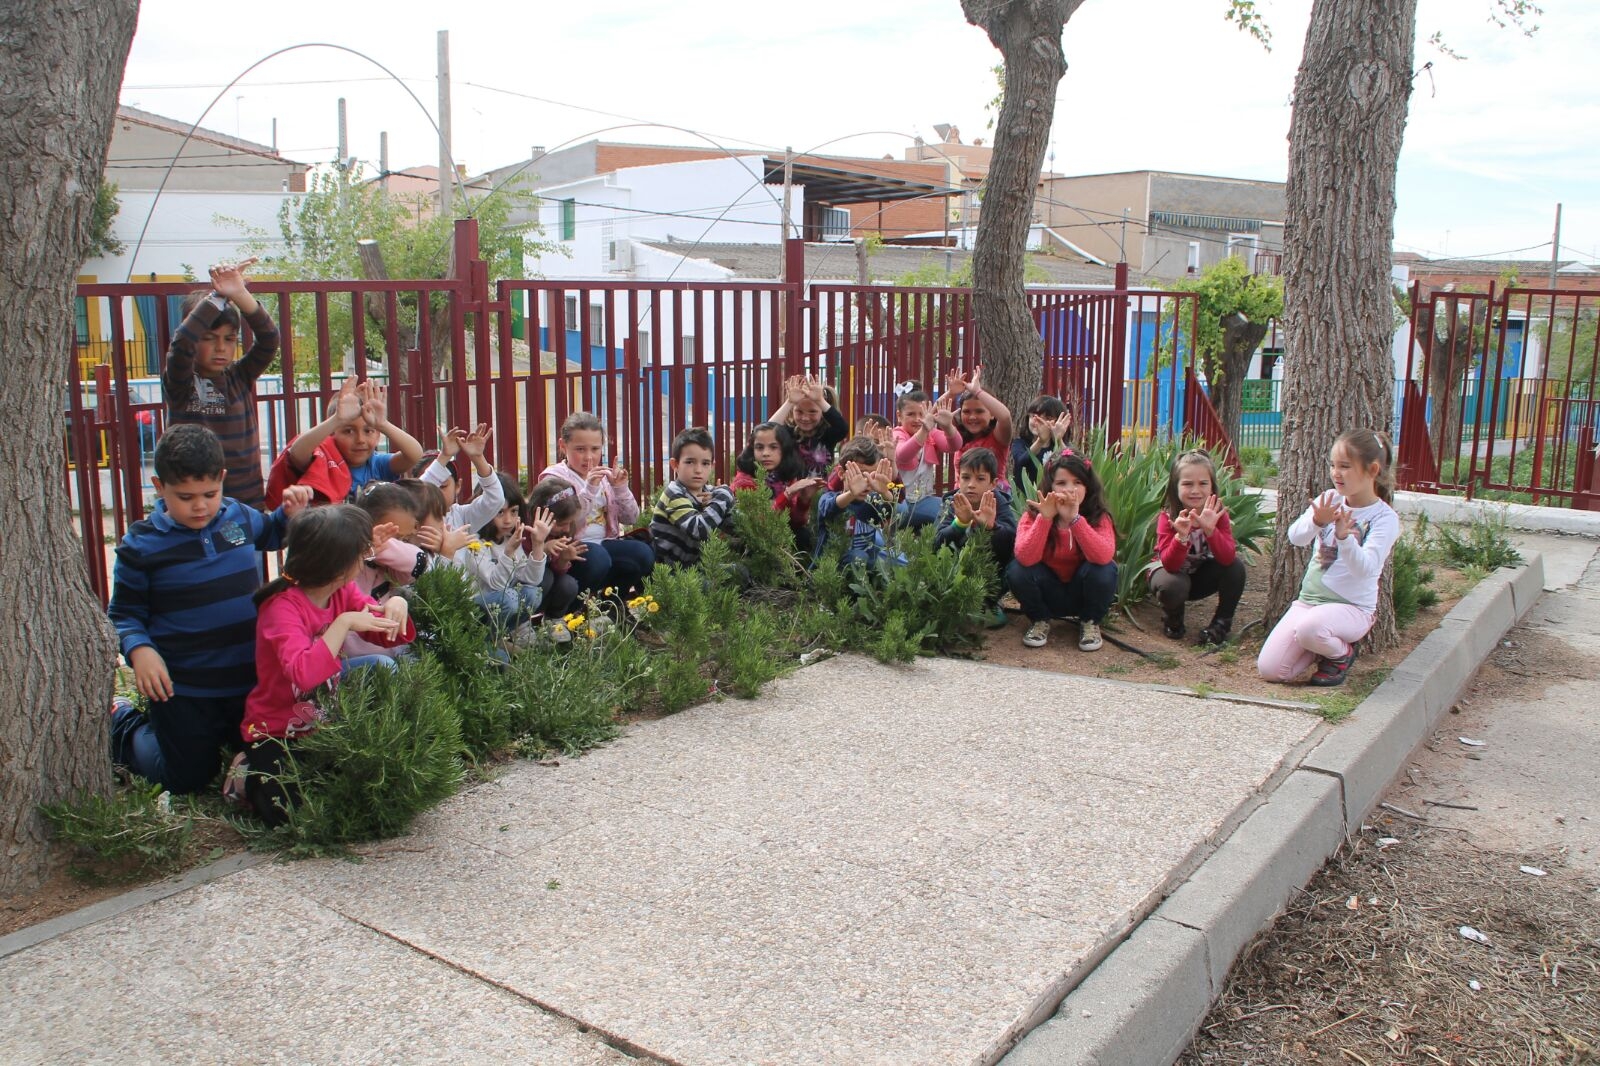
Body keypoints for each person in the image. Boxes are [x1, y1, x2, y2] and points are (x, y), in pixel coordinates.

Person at [108, 425, 312, 793]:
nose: (200, 506)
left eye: (209, 493)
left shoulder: (238, 516)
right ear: (159, 487)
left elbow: (270, 533)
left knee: (263, 761)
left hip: (246, 681)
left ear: (222, 479)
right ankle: (123, 722)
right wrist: (140, 651)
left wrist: (288, 514)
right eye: (184, 496)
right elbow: (124, 614)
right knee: (185, 780)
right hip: (184, 688)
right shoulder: (140, 545)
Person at [240, 505, 414, 826]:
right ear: (336, 566)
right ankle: (245, 775)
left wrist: (397, 603)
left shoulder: (341, 591)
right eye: (359, 554)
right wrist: (344, 623)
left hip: (321, 724)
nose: (365, 559)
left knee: (361, 791)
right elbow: (303, 674)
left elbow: (384, 629)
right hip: (275, 731)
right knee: (289, 813)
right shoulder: (282, 609)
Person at [1258, 430, 1400, 687]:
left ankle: (1340, 654)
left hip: (1353, 609)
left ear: (1373, 470)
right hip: (1309, 603)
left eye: (1345, 466)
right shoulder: (1330, 499)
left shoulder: (1384, 518)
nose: (1336, 473)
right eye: (1333, 465)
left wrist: (1345, 539)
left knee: (1310, 628)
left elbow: (1365, 569)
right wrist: (1316, 521)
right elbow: (1296, 538)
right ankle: (1316, 643)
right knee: (1271, 670)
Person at [161, 259, 279, 509]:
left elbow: (269, 339)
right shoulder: (180, 381)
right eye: (209, 338)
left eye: (229, 339)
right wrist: (216, 298)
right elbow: (182, 343)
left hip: (244, 502)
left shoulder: (240, 375)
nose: (220, 348)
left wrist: (239, 294)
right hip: (194, 502)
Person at [1006, 450, 1117, 651]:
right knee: (1016, 569)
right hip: (1048, 591)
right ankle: (1040, 620)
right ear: (1050, 486)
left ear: (1088, 487)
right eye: (1061, 483)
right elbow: (1025, 557)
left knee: (1106, 569)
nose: (1070, 490)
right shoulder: (1032, 516)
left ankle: (1090, 622)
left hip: (1081, 592)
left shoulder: (1098, 517)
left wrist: (1075, 520)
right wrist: (1045, 519)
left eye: (1078, 483)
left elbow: (1103, 556)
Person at [537, 411, 654, 596]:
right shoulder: (553, 477)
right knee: (599, 558)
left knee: (643, 554)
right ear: (563, 445)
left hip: (605, 542)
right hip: (570, 548)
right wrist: (590, 488)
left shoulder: (605, 477)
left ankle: (613, 605)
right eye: (580, 449)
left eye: (595, 449)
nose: (589, 457)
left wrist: (620, 488)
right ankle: (573, 609)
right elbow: (568, 518)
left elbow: (631, 517)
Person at [264, 379, 424, 506]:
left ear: (378, 435)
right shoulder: (322, 461)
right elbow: (296, 452)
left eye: (368, 431)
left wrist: (383, 424)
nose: (360, 440)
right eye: (348, 431)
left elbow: (414, 454)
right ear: (331, 434)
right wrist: (337, 419)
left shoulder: (377, 465)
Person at [1151, 449, 1246, 646]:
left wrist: (1211, 531)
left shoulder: (1218, 515)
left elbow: (1227, 558)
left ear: (1212, 486)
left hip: (1200, 577)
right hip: (1170, 577)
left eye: (1203, 483)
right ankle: (1173, 618)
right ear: (1175, 487)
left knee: (1236, 568)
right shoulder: (1168, 517)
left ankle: (1220, 624)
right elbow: (1170, 565)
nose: (1195, 490)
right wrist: (1181, 537)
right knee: (1173, 585)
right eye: (1187, 484)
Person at [933, 447, 1017, 627]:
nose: (971, 484)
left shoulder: (999, 504)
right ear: (958, 478)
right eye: (965, 477)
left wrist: (991, 527)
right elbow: (936, 543)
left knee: (1015, 562)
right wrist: (959, 524)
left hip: (990, 574)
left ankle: (989, 602)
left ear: (993, 484)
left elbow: (1012, 542)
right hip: (956, 574)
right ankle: (955, 602)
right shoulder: (952, 502)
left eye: (980, 479)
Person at [462, 474, 552, 638]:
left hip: (499, 605)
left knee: (533, 593)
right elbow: (496, 584)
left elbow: (531, 580)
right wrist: (508, 552)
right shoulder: (473, 541)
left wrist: (538, 544)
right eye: (500, 512)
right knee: (510, 598)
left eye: (514, 511)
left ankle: (503, 635)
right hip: (473, 609)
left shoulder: (507, 538)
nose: (508, 520)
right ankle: (484, 640)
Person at [651, 427, 736, 567]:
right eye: (690, 462)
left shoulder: (709, 493)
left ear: (712, 466)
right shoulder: (673, 494)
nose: (698, 470)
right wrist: (723, 496)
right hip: (669, 575)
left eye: (705, 463)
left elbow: (734, 527)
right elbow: (698, 530)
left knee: (739, 573)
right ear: (675, 464)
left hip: (694, 569)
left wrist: (725, 503)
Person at [732, 421, 820, 552]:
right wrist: (787, 494)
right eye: (759, 447)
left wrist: (804, 500)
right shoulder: (744, 481)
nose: (766, 453)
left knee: (803, 536)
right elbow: (759, 524)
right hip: (750, 541)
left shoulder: (785, 477)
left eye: (773, 447)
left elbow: (796, 522)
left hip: (778, 537)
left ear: (784, 450)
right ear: (752, 450)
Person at [817, 436, 899, 567]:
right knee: (858, 557)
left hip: (865, 574)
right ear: (841, 473)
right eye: (860, 474)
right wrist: (851, 493)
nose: (866, 482)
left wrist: (885, 492)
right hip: (830, 573)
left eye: (872, 475)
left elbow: (892, 513)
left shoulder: (873, 501)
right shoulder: (827, 499)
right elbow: (831, 507)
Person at [890, 382, 958, 528]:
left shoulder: (930, 433)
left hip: (922, 500)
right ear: (899, 416)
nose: (917, 419)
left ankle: (941, 545)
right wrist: (924, 430)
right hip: (900, 502)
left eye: (922, 414)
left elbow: (954, 446)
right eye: (910, 414)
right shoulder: (897, 434)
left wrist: (948, 427)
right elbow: (903, 455)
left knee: (954, 510)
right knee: (945, 514)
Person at [524, 477, 586, 619]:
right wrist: (542, 548)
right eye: (562, 523)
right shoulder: (526, 530)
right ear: (538, 514)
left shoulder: (562, 532)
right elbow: (519, 568)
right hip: (525, 588)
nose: (567, 528)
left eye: (570, 523)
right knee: (546, 577)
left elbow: (558, 571)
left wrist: (563, 559)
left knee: (568, 584)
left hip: (545, 589)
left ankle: (554, 619)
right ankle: (521, 621)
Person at [944, 366, 1014, 483]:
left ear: (992, 414)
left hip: (993, 497)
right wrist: (951, 393)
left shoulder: (998, 437)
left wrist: (978, 391)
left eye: (979, 411)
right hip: (963, 497)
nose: (972, 417)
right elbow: (933, 415)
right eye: (966, 412)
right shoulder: (958, 436)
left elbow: (1005, 417)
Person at [772, 374, 848, 479]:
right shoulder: (787, 433)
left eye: (812, 412)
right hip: (789, 492)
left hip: (820, 492)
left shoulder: (827, 435)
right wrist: (789, 402)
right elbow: (768, 430)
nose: (805, 418)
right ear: (792, 411)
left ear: (822, 412)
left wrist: (820, 400)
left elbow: (842, 428)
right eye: (799, 411)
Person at [1010, 395, 1073, 489]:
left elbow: (1074, 465)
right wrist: (1040, 441)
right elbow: (1021, 461)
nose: (1039, 421)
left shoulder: (1063, 446)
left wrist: (1058, 440)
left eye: (1047, 418)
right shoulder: (1020, 443)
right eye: (1034, 416)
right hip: (1025, 500)